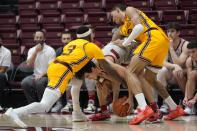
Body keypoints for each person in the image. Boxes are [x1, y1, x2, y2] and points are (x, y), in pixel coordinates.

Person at [3, 26, 126, 128]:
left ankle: (77, 113)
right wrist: (121, 81)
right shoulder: (92, 47)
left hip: (57, 67)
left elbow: (81, 70)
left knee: (77, 82)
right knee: (45, 106)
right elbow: (108, 68)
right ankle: (14, 112)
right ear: (90, 36)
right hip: (62, 71)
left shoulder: (71, 44)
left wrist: (99, 78)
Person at [111, 4, 184, 125]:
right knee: (150, 78)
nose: (113, 20)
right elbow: (124, 38)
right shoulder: (123, 28)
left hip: (153, 37)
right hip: (161, 43)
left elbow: (139, 28)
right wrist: (122, 41)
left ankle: (143, 108)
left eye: (113, 16)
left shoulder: (129, 10)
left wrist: (125, 43)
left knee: (130, 71)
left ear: (118, 10)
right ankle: (175, 108)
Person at [157, 22, 189, 114]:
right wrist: (174, 66)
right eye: (168, 32)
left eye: (172, 31)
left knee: (177, 72)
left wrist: (170, 48)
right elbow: (163, 62)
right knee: (161, 71)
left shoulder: (185, 44)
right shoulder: (165, 43)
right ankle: (166, 103)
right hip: (173, 73)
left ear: (178, 33)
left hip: (185, 73)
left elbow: (179, 63)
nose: (169, 34)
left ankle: (187, 101)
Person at [21, 30, 56, 104]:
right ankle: (32, 104)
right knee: (25, 82)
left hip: (47, 76)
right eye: (37, 37)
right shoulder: (32, 50)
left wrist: (41, 75)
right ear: (34, 39)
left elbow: (51, 68)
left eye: (41, 38)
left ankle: (43, 104)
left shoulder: (50, 50)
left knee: (40, 83)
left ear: (44, 39)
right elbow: (28, 64)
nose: (39, 39)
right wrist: (36, 52)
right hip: (35, 75)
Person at [51, 31, 73, 112]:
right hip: (62, 73)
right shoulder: (59, 51)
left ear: (71, 40)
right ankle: (58, 103)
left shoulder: (76, 50)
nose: (66, 41)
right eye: (64, 39)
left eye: (68, 39)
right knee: (54, 80)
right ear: (61, 40)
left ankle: (70, 103)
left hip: (74, 74)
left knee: (69, 80)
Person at [183, 40, 197, 115]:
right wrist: (186, 97)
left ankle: (192, 104)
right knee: (192, 74)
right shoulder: (189, 61)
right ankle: (190, 107)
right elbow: (189, 80)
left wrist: (194, 99)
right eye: (189, 52)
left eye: (193, 52)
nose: (191, 54)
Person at [0, 33, 11, 111]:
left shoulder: (6, 52)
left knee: (1, 76)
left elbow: (3, 69)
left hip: (1, 75)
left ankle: (0, 104)